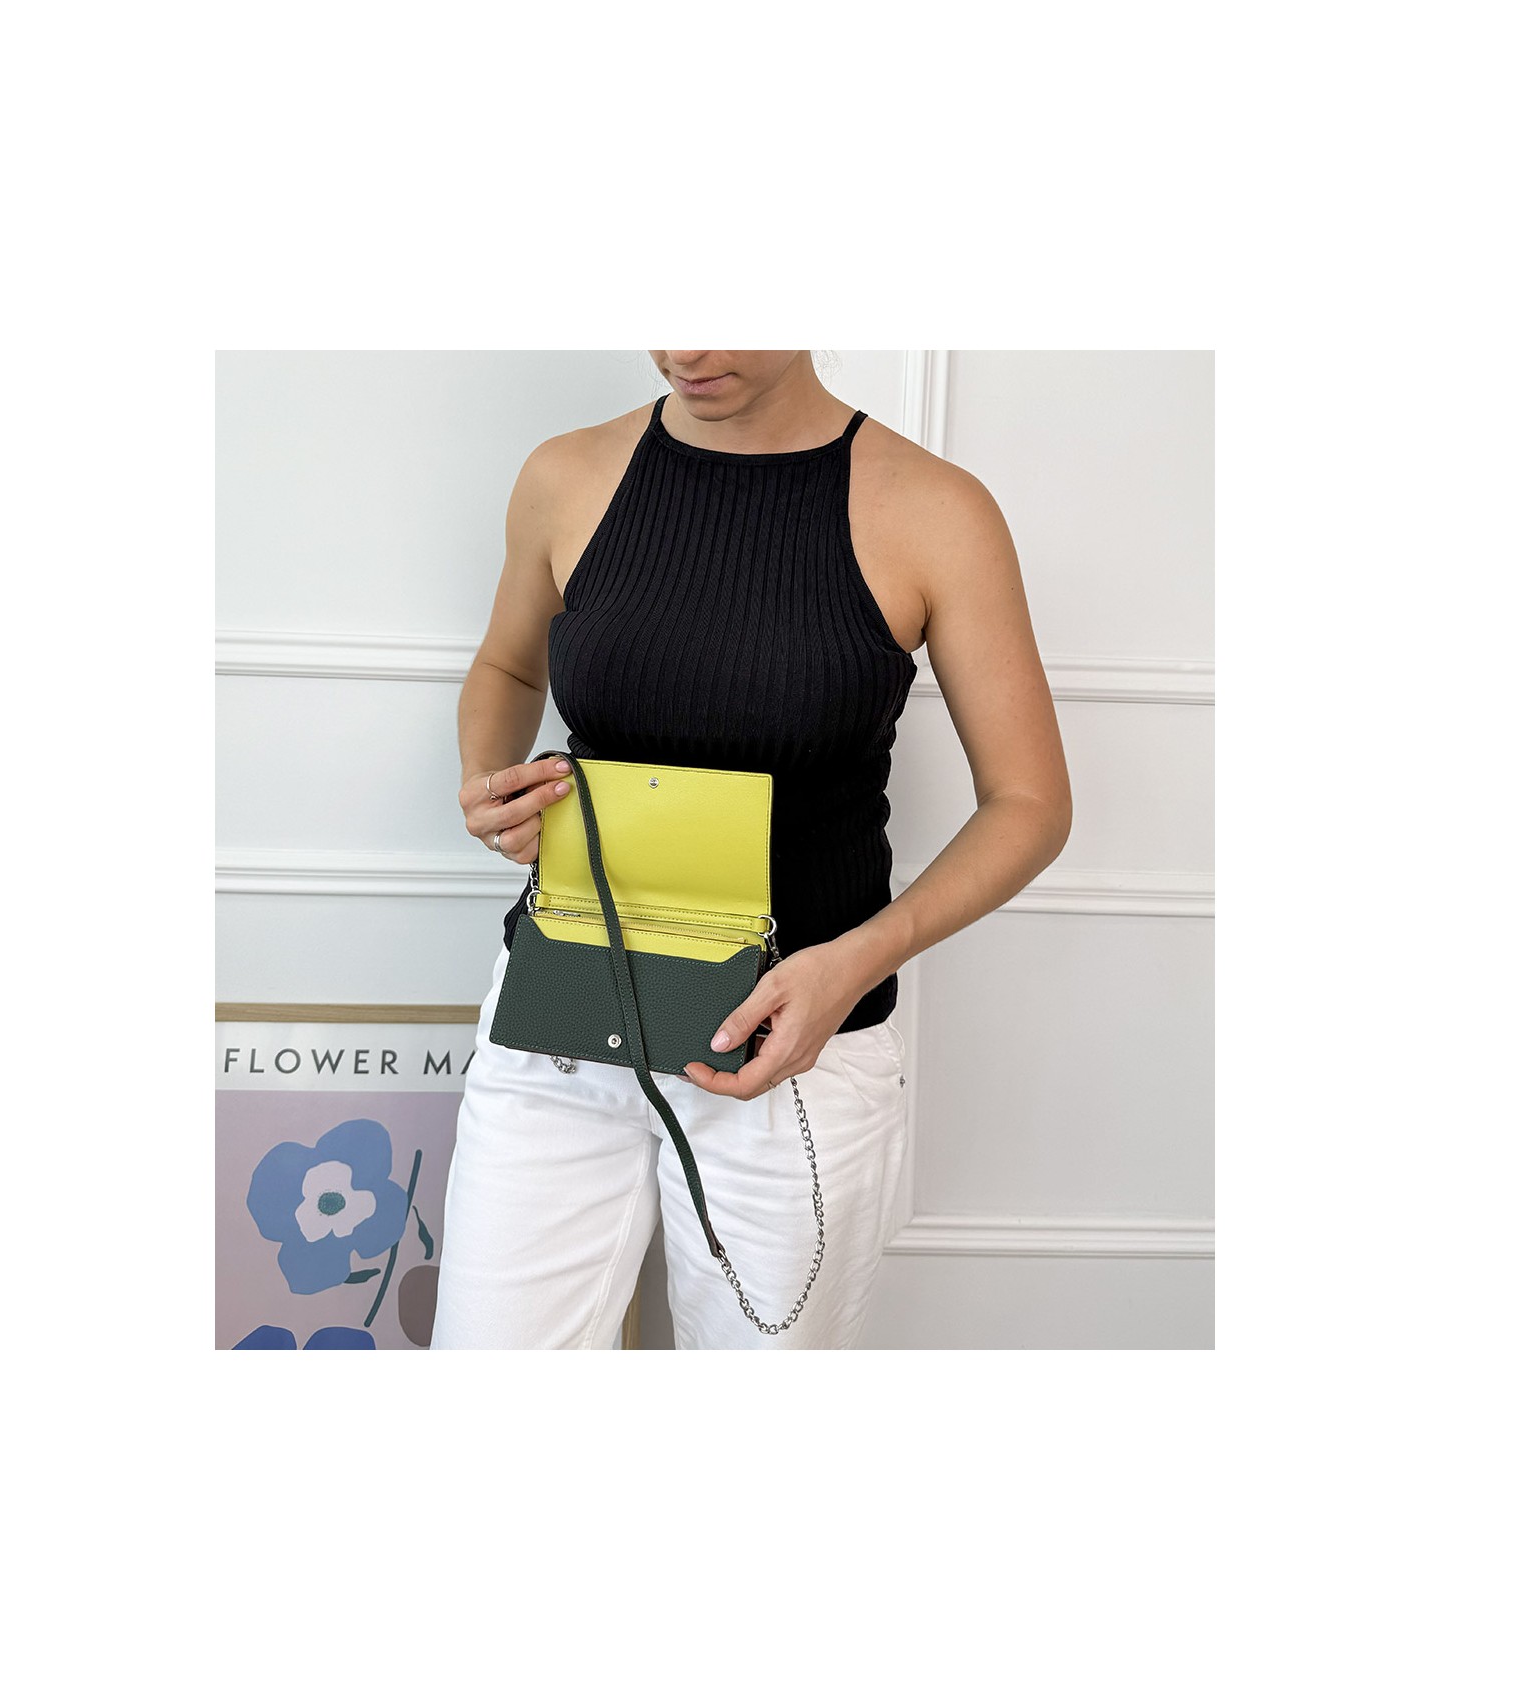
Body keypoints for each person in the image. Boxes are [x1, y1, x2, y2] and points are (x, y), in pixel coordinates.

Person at [429, 350, 1072, 1349]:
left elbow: (1028, 804)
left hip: (792, 1046)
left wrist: (852, 963)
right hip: (560, 1018)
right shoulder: (566, 473)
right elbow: (509, 666)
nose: (689, 350)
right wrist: (488, 780)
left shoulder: (936, 511)